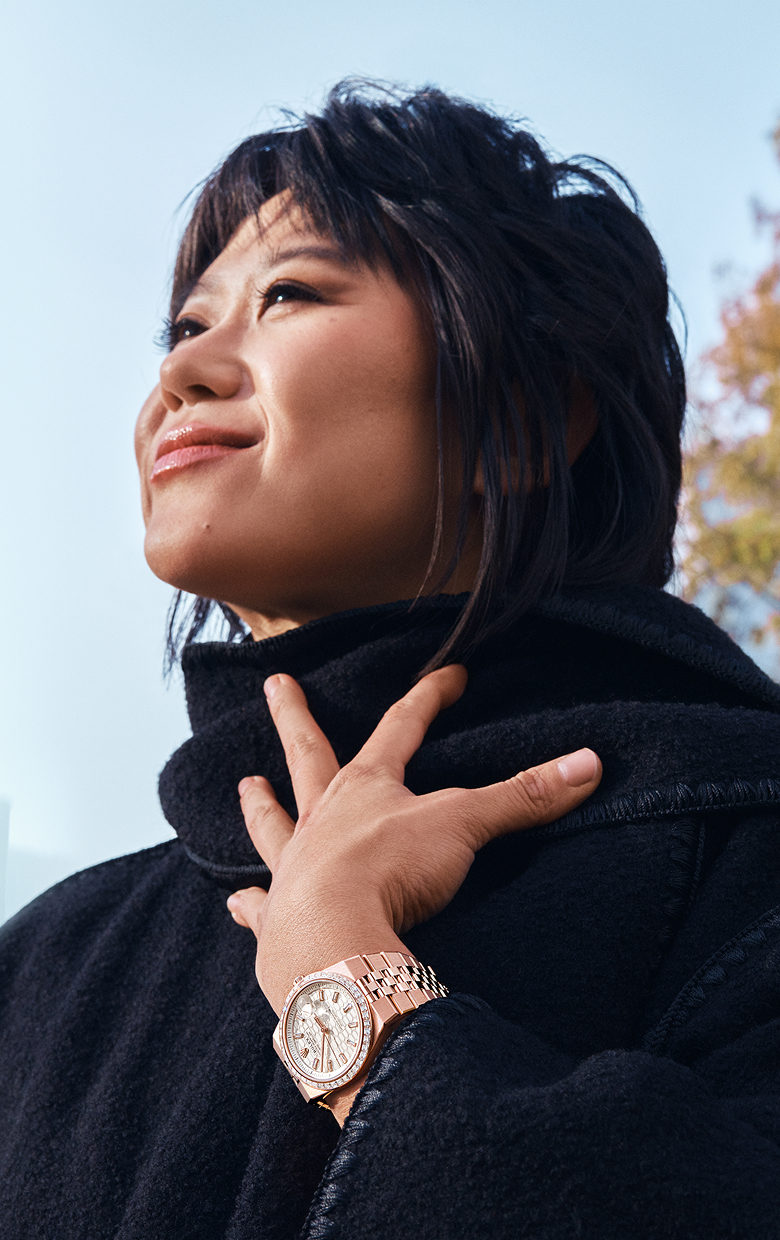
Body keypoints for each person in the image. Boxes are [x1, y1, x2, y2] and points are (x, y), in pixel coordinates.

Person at [1, 82, 780, 1239]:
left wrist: (349, 989)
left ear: (516, 422)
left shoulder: (745, 854)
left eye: (289, 294)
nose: (186, 372)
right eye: (183, 327)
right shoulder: (47, 962)